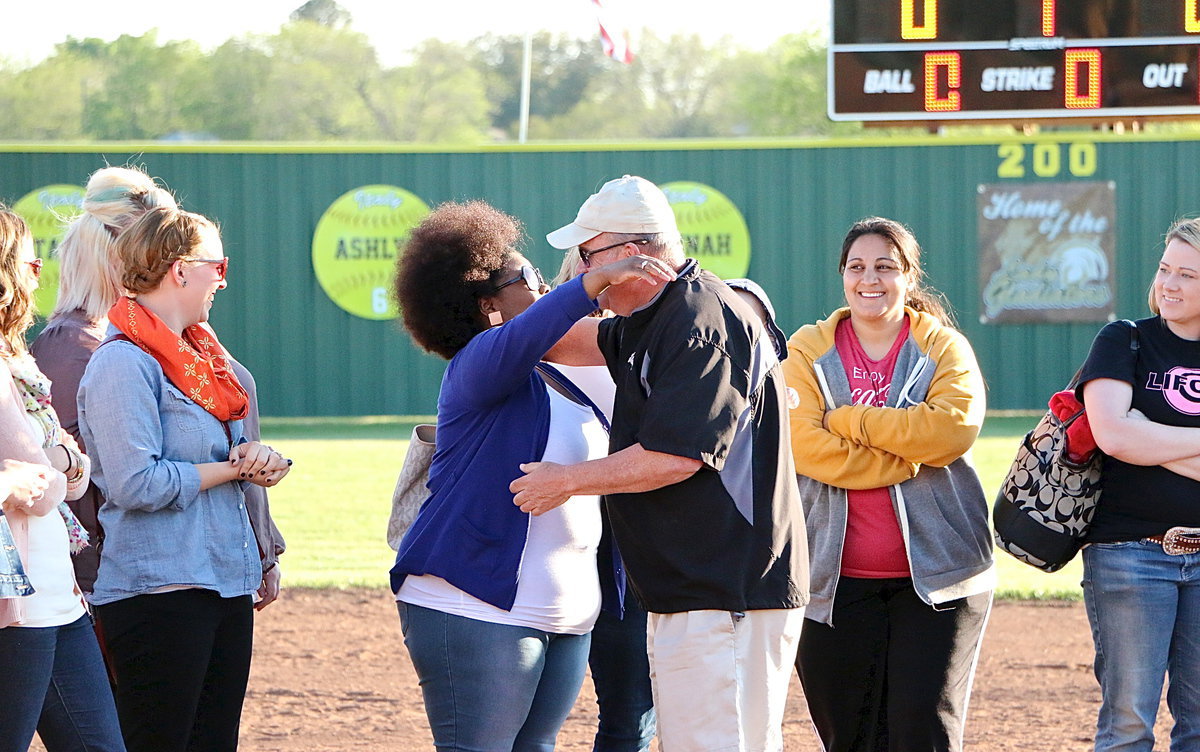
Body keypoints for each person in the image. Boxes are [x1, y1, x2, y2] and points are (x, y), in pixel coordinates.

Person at [513, 175, 809, 752]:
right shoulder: (655, 315)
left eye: (588, 254)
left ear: (632, 255)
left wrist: (568, 481)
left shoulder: (700, 318)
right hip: (697, 588)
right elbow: (563, 342)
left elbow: (677, 456)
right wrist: (489, 316)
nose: (579, 268)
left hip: (729, 591)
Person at [389, 200, 674, 752]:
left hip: (564, 617)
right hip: (473, 607)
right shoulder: (477, 364)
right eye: (529, 276)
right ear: (488, 304)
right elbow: (536, 329)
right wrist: (593, 280)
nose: (543, 285)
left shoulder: (557, 377)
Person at [77, 206, 291, 752]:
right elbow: (135, 484)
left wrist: (263, 546)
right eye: (218, 267)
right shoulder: (122, 363)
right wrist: (233, 468)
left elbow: (223, 462)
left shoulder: (215, 363)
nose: (222, 279)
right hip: (157, 590)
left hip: (225, 581)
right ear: (180, 269)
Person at [781, 216, 993, 752]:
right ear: (842, 276)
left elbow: (949, 432)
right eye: (857, 267)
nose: (869, 278)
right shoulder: (806, 350)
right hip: (830, 582)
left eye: (885, 266)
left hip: (940, 578)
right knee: (850, 737)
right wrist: (903, 454)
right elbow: (803, 446)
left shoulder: (943, 348)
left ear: (909, 276)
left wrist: (849, 420)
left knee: (922, 732)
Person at [31, 166, 285, 606]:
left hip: (217, 566)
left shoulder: (189, 341)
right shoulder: (82, 348)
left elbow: (232, 439)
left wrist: (262, 546)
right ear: (122, 253)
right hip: (135, 581)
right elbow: (109, 485)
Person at [0, 207, 126, 752]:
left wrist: (58, 465)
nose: (37, 276)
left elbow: (68, 476)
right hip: (15, 598)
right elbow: (49, 482)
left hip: (56, 593)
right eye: (29, 263)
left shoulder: (18, 358)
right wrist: (49, 468)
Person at [1076, 217, 1200, 752]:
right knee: (1128, 724)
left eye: (1188, 275)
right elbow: (1112, 436)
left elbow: (1134, 435)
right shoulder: (1124, 339)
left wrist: (1149, 434)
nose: (1169, 283)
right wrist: (1134, 436)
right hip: (1130, 553)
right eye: (1165, 268)